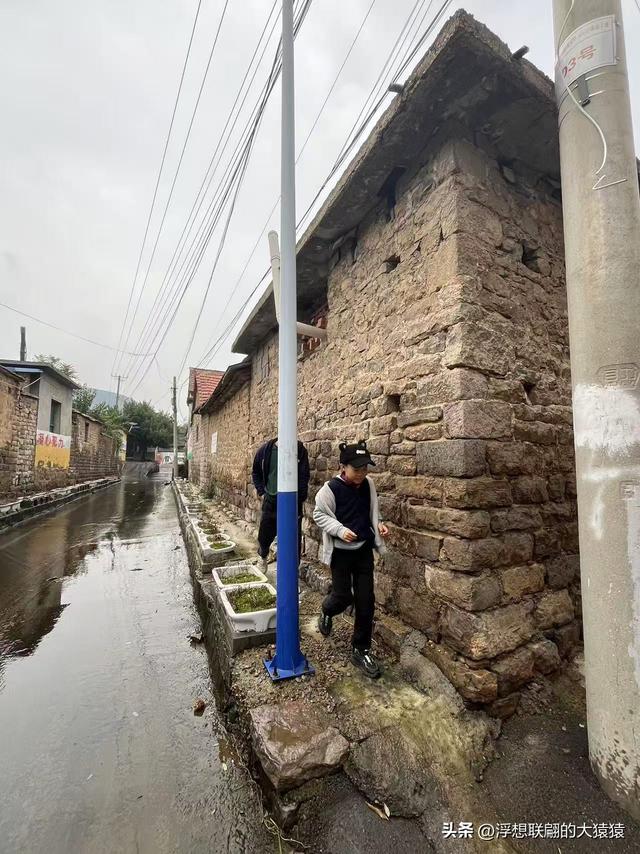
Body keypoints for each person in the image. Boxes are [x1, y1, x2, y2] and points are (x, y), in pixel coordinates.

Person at [313, 440, 388, 678]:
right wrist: (339, 529)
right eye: (357, 469)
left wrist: (380, 524)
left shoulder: (369, 485)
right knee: (343, 596)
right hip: (341, 554)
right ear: (343, 467)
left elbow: (372, 511)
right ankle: (326, 609)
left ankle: (360, 648)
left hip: (363, 549)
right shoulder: (329, 490)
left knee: (366, 600)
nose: (362, 473)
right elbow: (319, 515)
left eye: (365, 468)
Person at [252, 437, 310, 569]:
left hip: (292, 503)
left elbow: (304, 475)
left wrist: (300, 498)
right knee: (265, 535)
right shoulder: (265, 450)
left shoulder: (299, 449)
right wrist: (262, 491)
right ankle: (263, 555)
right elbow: (256, 472)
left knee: (293, 541)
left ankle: (292, 575)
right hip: (271, 500)